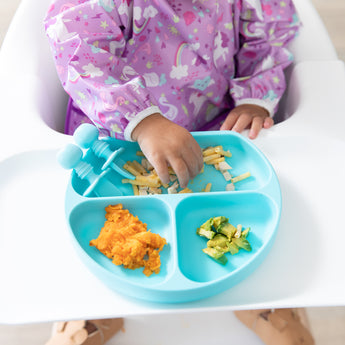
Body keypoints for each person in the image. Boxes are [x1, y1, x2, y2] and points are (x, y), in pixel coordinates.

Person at [44, 1, 314, 344]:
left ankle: (265, 297)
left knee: (256, 228)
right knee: (100, 232)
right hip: (118, 132)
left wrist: (255, 96)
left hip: (215, 123)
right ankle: (92, 308)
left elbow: (266, 31)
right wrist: (142, 120)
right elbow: (76, 46)